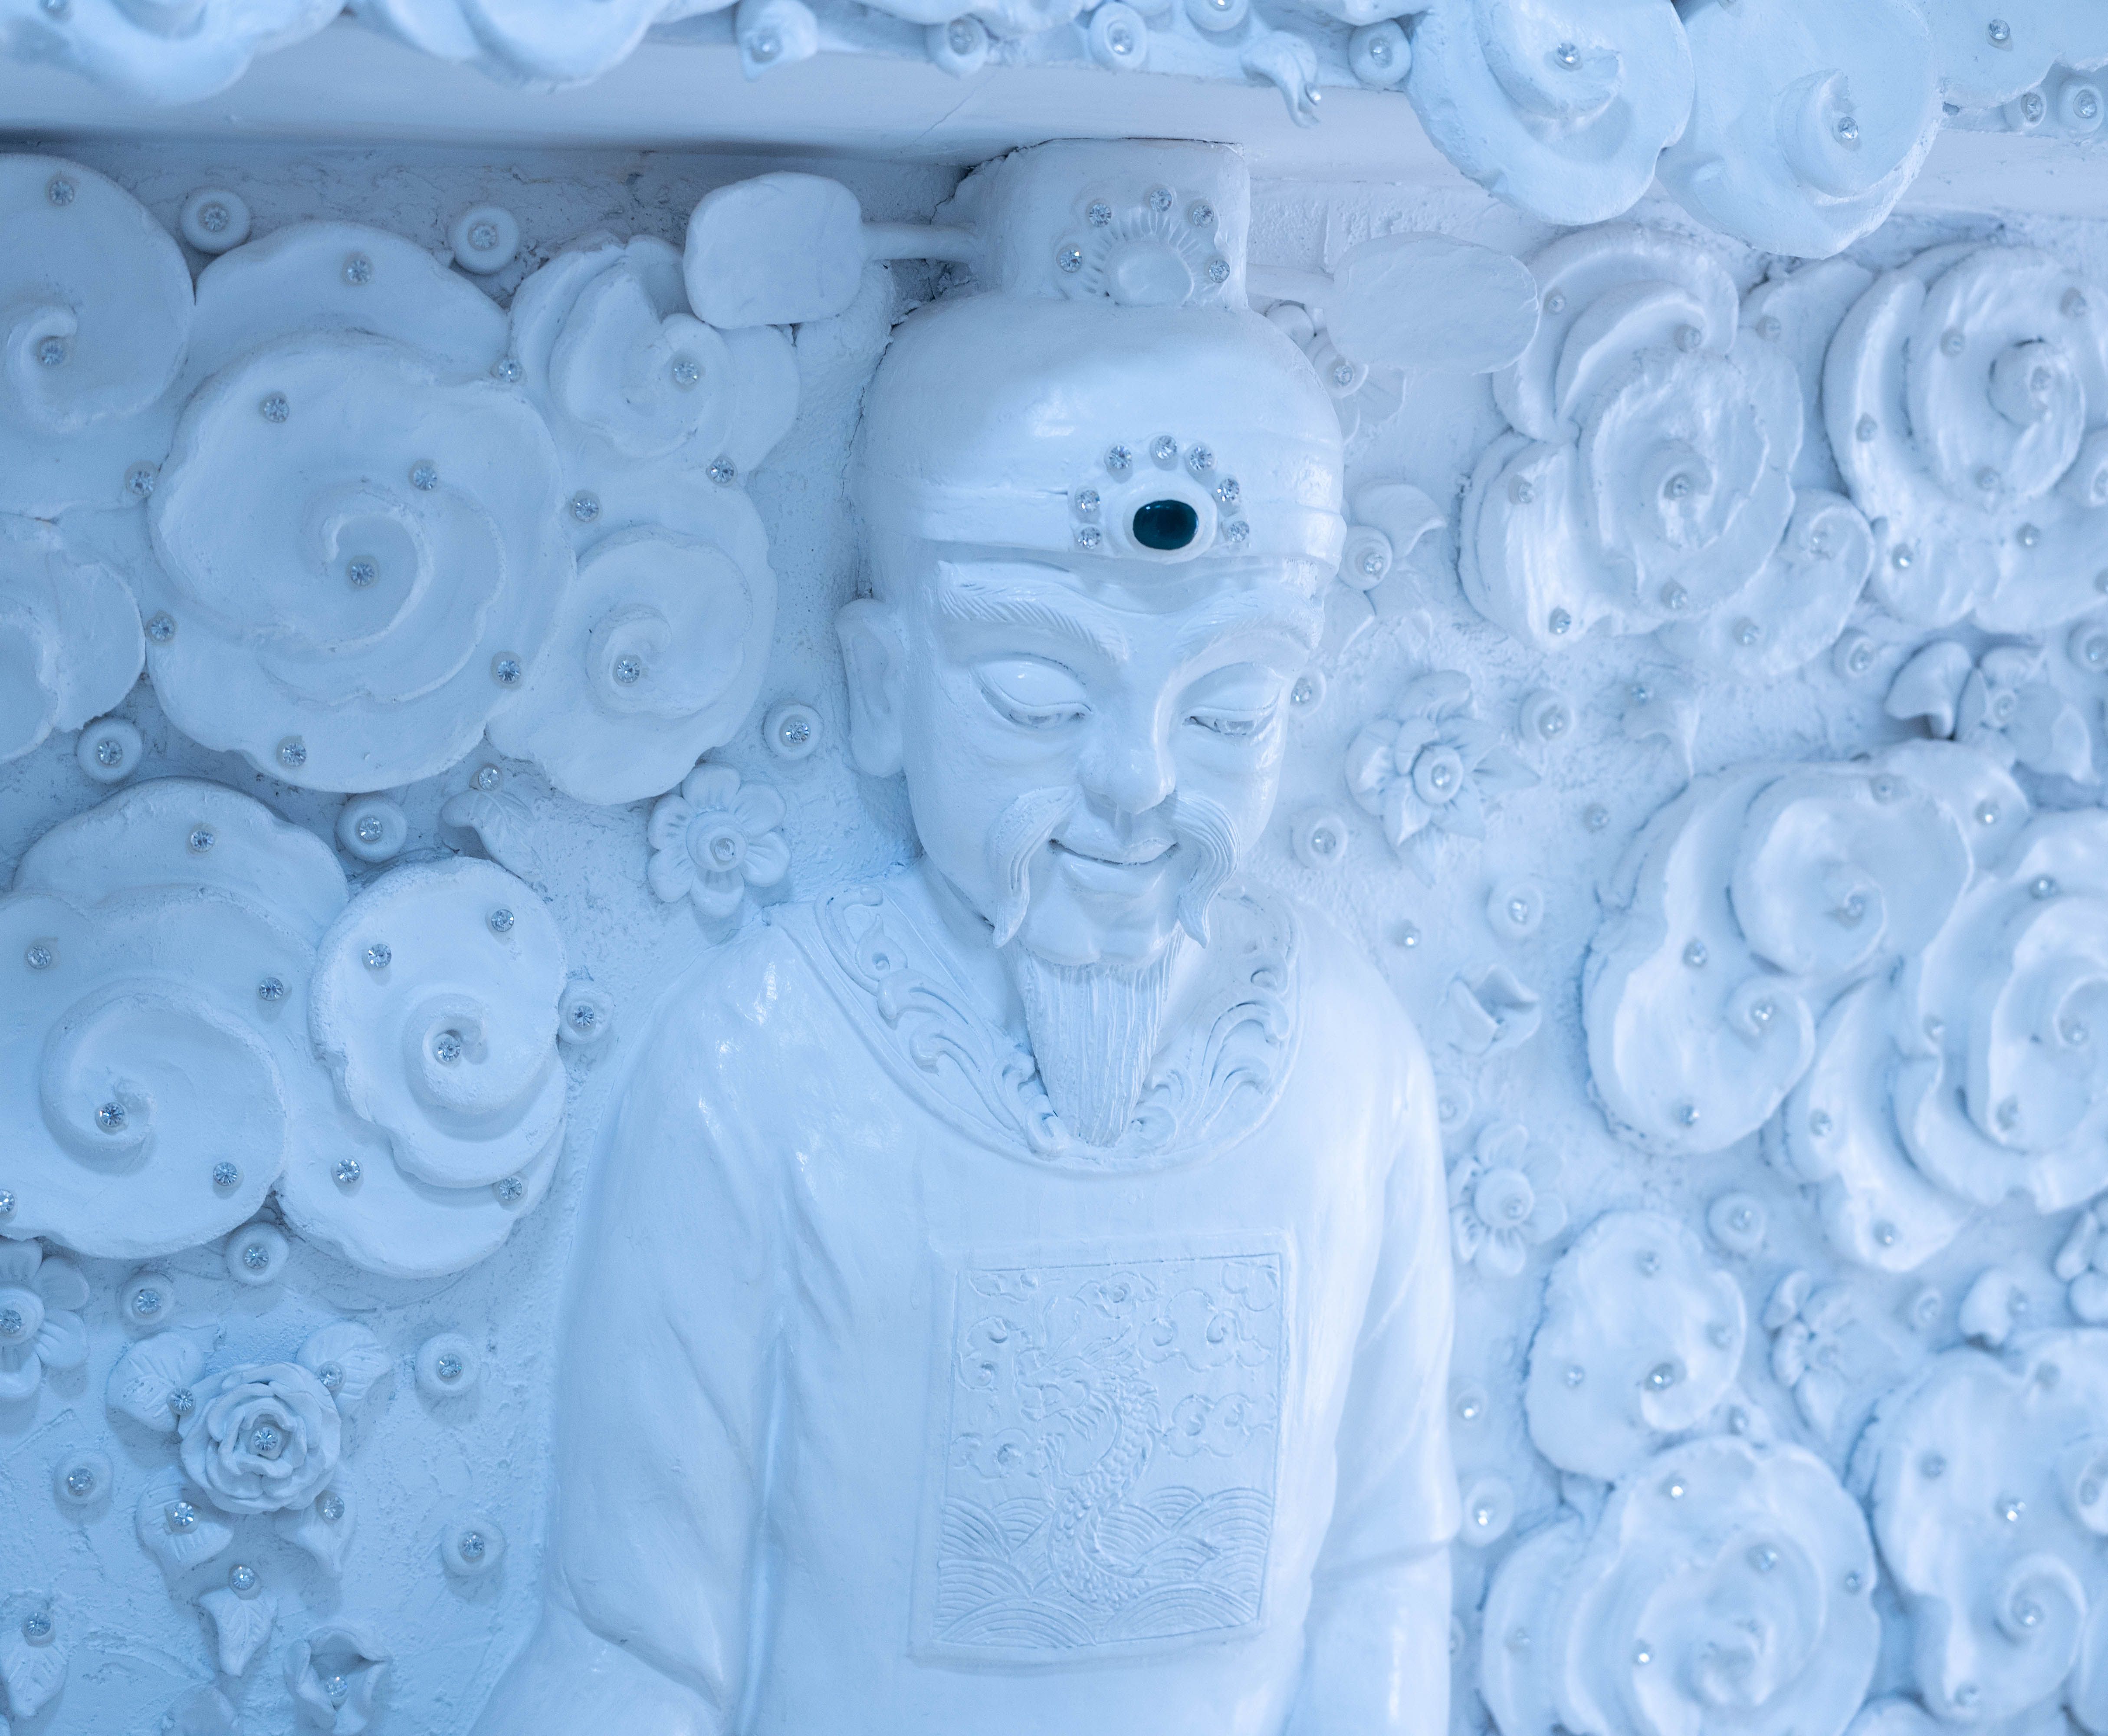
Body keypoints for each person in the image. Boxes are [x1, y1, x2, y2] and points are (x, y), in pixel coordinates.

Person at [476, 139, 1454, 1736]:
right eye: (1037, 698)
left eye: (1227, 708)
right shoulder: (771, 1066)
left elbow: (1389, 1567)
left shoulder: (1344, 1057)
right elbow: (635, 1641)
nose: (1137, 784)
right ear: (881, 686)